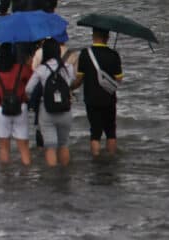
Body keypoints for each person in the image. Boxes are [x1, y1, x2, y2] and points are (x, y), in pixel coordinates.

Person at [73, 27, 124, 157]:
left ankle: (96, 158)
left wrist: (70, 88)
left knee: (95, 132)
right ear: (107, 37)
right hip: (109, 98)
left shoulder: (85, 53)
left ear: (93, 36)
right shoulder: (114, 55)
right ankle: (111, 157)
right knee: (111, 131)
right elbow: (119, 79)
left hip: (91, 98)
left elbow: (79, 79)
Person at [26, 37, 76, 167]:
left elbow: (28, 89)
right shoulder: (68, 68)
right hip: (65, 109)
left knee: (50, 147)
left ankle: (52, 178)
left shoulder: (41, 69)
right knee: (63, 144)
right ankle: (65, 175)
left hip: (46, 110)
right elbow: (71, 83)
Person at [0, 42, 32, 166]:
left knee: (4, 147)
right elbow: (31, 84)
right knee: (24, 147)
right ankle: (27, 175)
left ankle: (5, 177)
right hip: (20, 108)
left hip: (1, 109)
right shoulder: (22, 69)